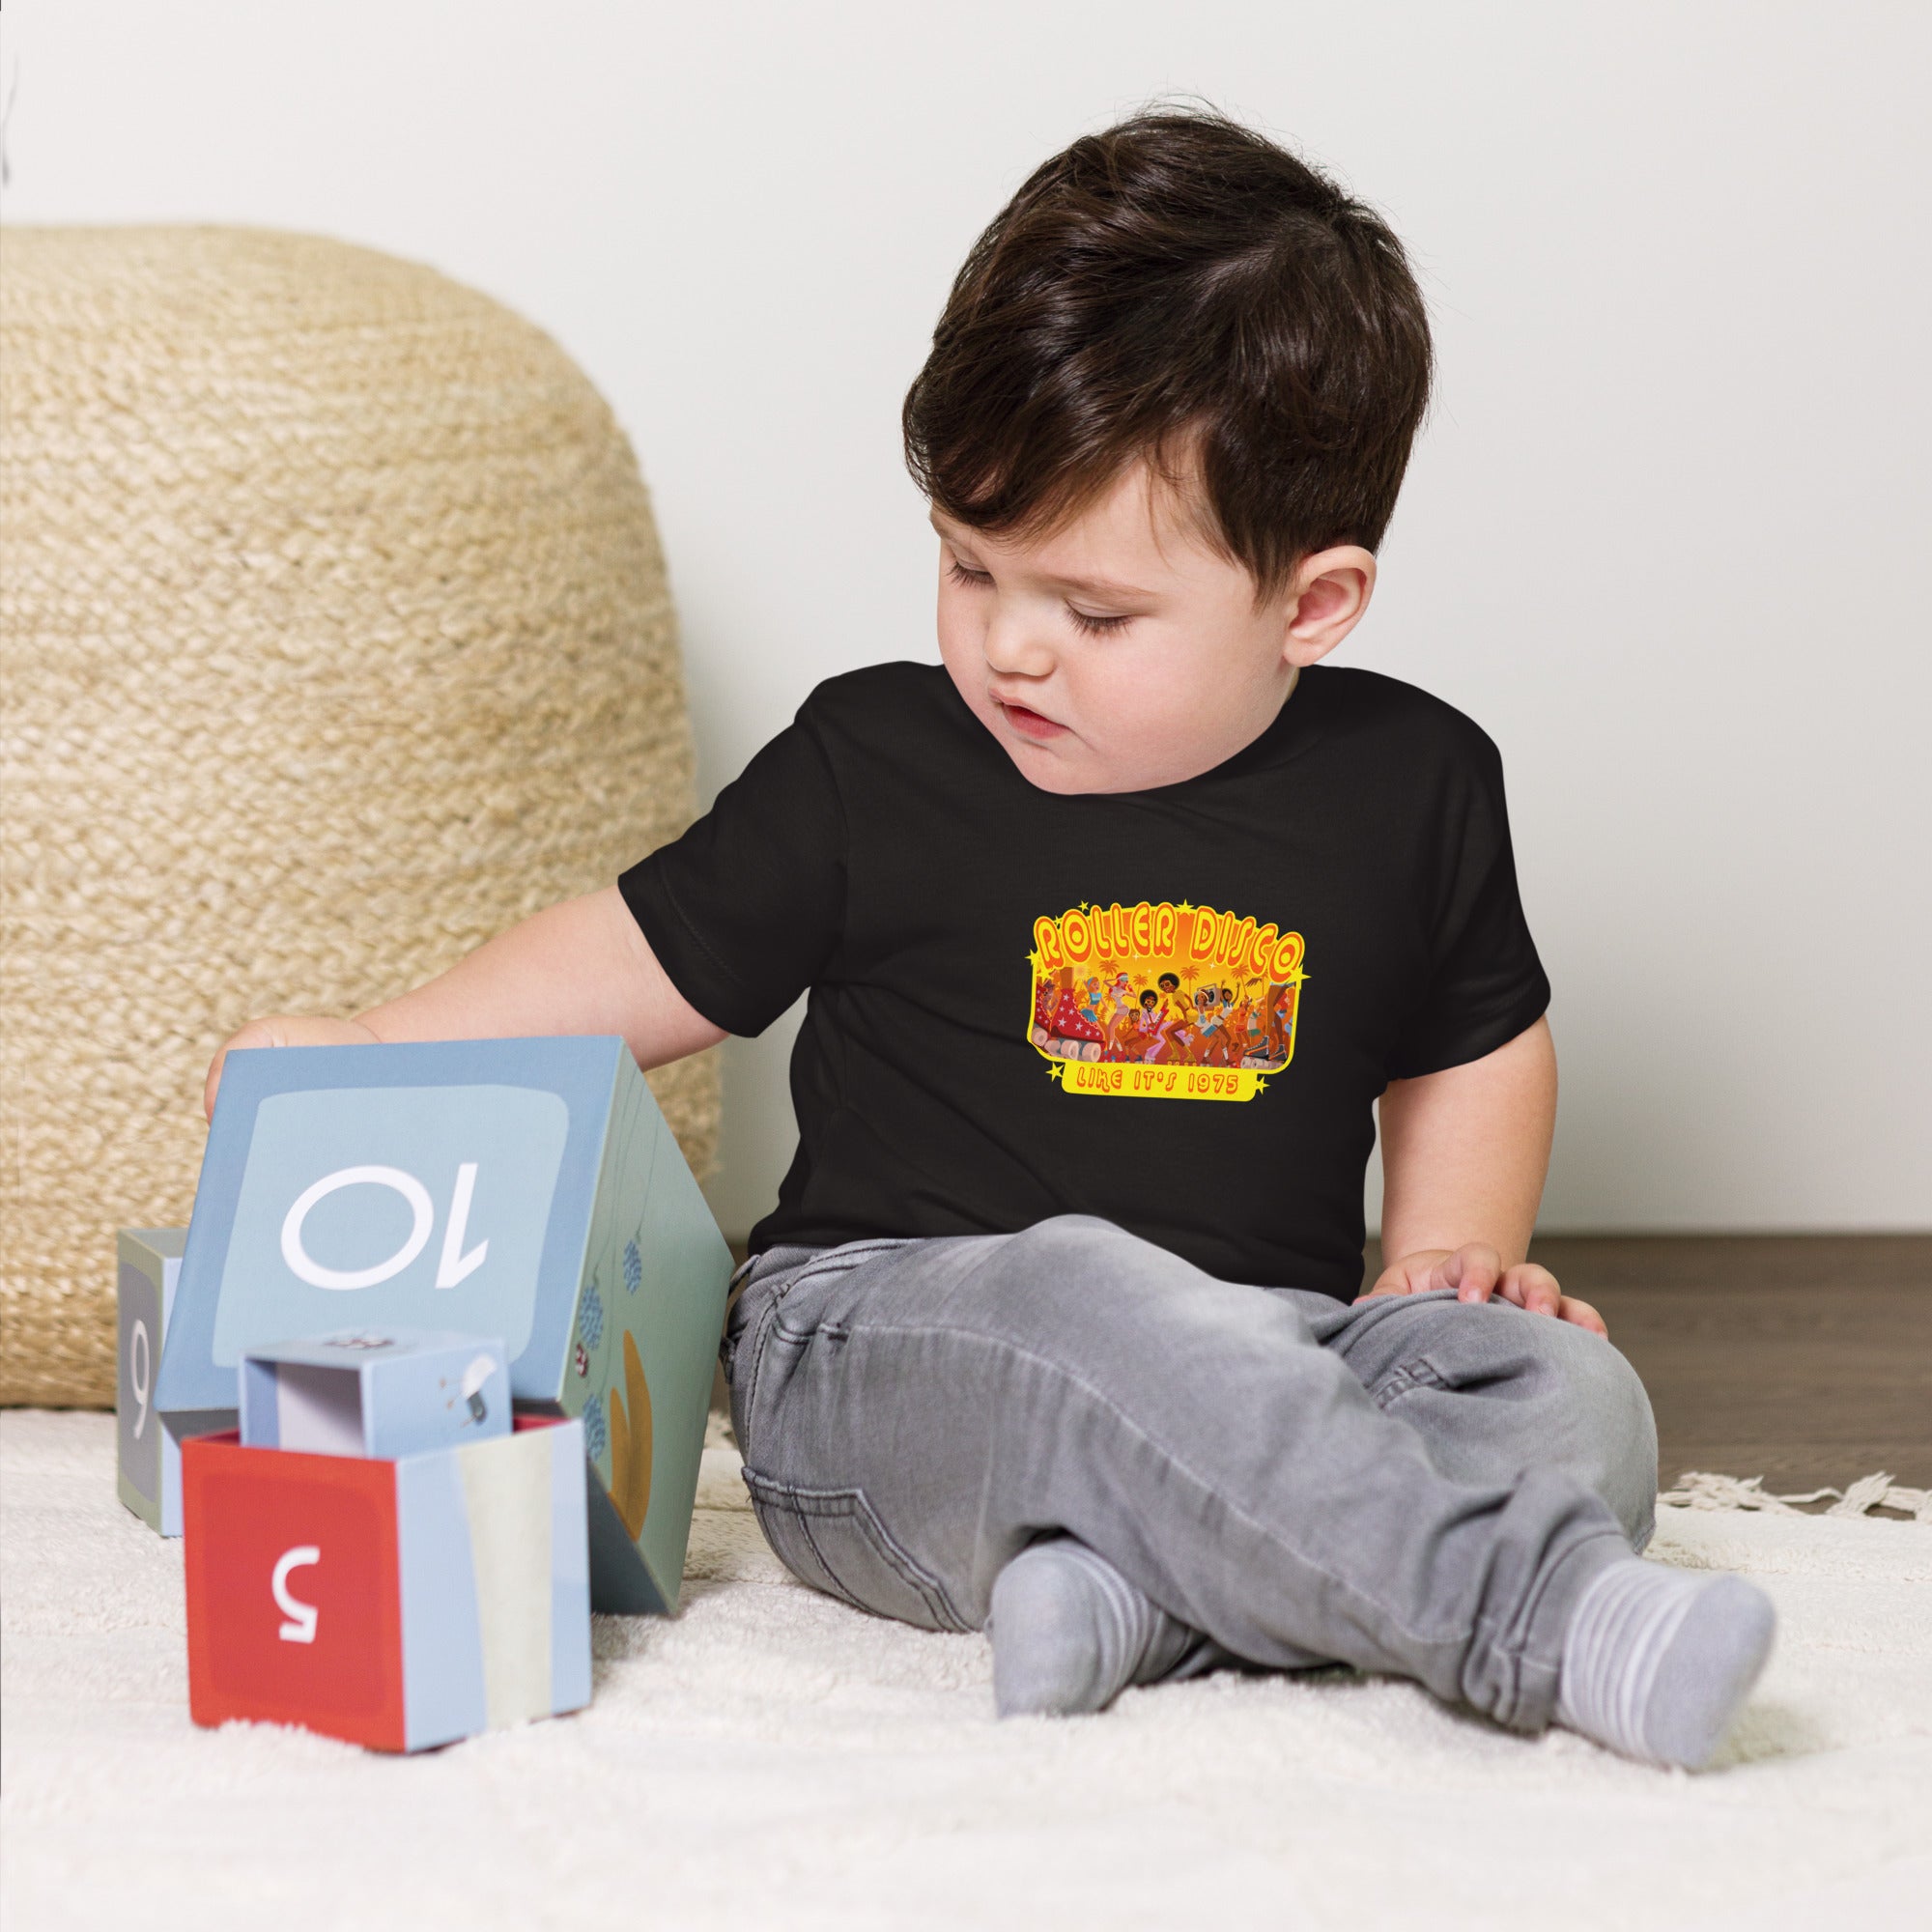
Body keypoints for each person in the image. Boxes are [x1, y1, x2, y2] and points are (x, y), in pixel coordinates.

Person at [207, 110, 1774, 1769]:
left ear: (1310, 605)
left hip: (1277, 1354)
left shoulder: (1417, 781)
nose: (1010, 647)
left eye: (1094, 614)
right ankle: (1518, 1616)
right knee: (1085, 1292)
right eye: (968, 565)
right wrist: (376, 1051)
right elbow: (633, 959)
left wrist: (1436, 1265)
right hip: (890, 1352)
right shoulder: (870, 765)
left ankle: (1142, 1606)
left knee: (1572, 1399)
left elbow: (1470, 1035)